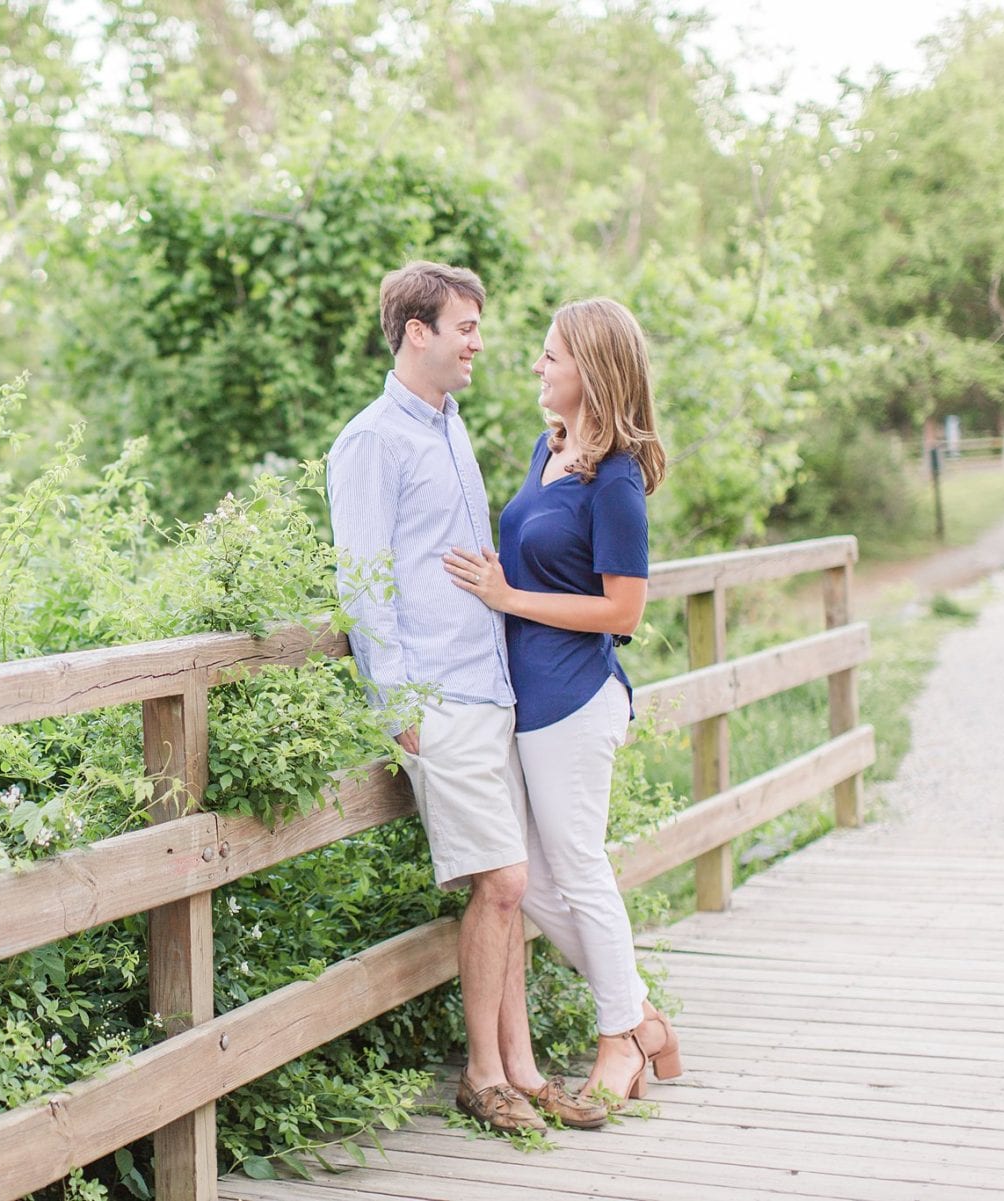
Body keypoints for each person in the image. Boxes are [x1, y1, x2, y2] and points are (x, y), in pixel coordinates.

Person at [328, 262, 607, 1134]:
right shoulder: (373, 440)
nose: (479, 342)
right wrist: (396, 704)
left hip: (491, 689)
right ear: (417, 331)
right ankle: (481, 1074)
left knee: (509, 891)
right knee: (503, 880)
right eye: (465, 327)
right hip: (437, 698)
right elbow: (363, 585)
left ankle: (521, 1069)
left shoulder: (450, 428)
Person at [443, 297, 683, 1107]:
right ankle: (643, 1013)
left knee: (576, 869)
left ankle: (621, 1042)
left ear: (593, 370)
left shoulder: (616, 481)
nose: (538, 367)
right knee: (538, 888)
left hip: (577, 697)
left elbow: (624, 612)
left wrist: (509, 596)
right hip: (523, 697)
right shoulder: (550, 456)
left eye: (551, 356)